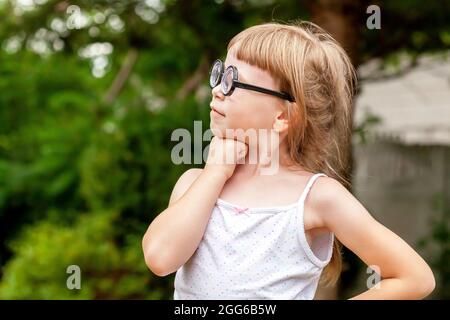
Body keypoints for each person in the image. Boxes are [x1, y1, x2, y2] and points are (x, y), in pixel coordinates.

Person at [142, 21, 435, 300]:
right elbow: (160, 258)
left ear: (283, 116)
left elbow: (414, 277)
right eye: (220, 74)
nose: (217, 90)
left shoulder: (315, 197)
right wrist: (215, 173)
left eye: (233, 82)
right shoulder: (196, 183)